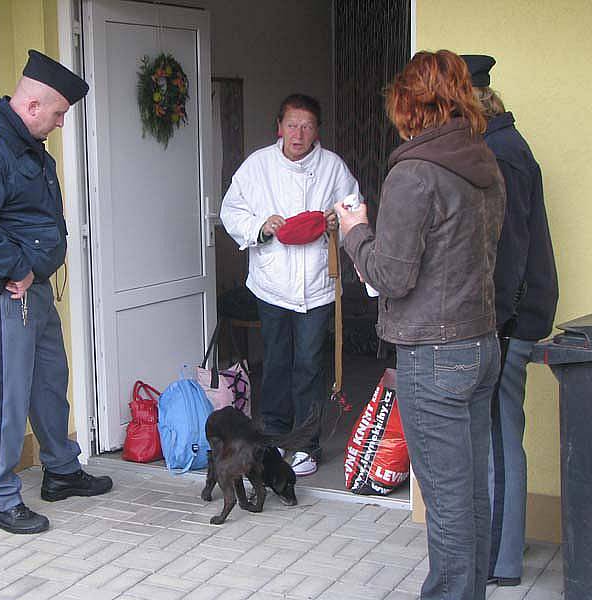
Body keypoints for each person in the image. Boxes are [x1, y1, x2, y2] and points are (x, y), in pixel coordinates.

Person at [335, 50, 506, 600]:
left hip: (434, 354)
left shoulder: (415, 172)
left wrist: (354, 230)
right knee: (469, 493)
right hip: (481, 342)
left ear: (409, 103)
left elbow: (391, 274)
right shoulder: (481, 160)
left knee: (448, 500)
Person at [0, 50, 112, 535]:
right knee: (8, 393)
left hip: (29, 289)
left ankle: (60, 470)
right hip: (3, 291)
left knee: (49, 379)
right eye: (58, 114)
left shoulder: (24, 145)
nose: (59, 124)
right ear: (34, 105)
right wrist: (18, 267)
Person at [220, 94, 360, 476]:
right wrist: (261, 228)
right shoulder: (257, 166)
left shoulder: (332, 168)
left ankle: (306, 445)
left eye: (307, 126)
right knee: (278, 363)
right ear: (278, 127)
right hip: (272, 283)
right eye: (292, 124)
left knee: (310, 365)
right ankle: (275, 437)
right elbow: (231, 210)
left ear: (317, 131)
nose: (298, 134)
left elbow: (354, 212)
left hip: (317, 284)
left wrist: (338, 227)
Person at [461, 54, 559, 587]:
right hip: (514, 312)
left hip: (509, 317)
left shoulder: (500, 153)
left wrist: (497, 319)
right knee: (503, 431)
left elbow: (510, 247)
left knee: (499, 436)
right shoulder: (503, 144)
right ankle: (506, 540)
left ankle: (500, 560)